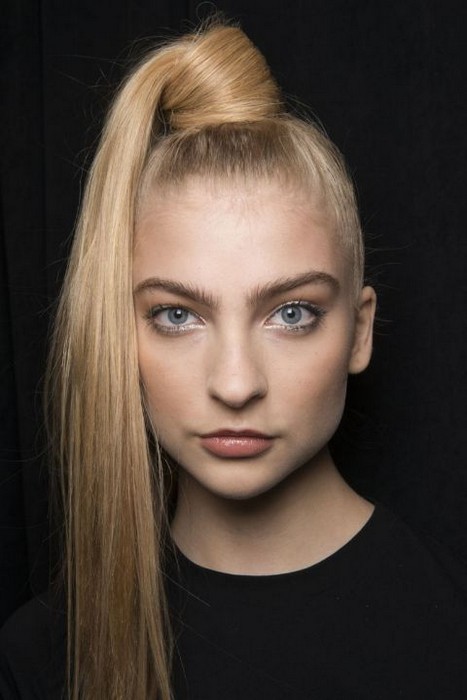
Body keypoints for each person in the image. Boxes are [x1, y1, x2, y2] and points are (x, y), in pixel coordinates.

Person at [1, 19, 467, 700]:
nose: (236, 384)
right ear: (114, 335)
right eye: (177, 316)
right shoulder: (39, 657)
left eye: (291, 313)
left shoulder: (449, 632)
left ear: (359, 332)